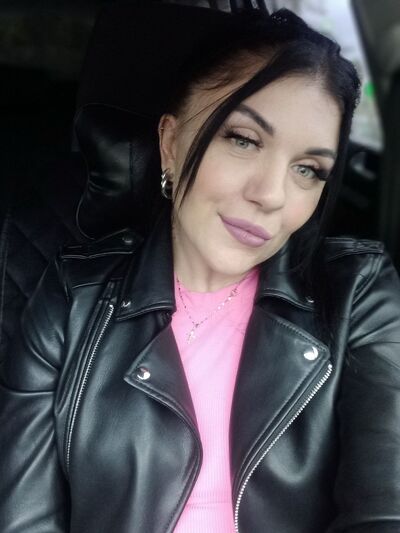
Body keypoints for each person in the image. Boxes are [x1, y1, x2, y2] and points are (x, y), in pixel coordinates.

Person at [1, 7, 400, 533]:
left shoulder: (355, 296)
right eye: (243, 139)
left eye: (308, 169)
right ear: (170, 143)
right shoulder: (73, 299)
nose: (271, 195)